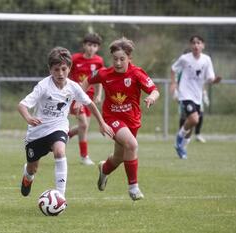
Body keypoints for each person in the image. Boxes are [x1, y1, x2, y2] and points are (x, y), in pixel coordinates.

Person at [18, 47, 114, 201]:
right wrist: (29, 117)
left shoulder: (73, 87)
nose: (60, 73)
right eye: (56, 69)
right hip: (37, 132)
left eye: (64, 69)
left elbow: (90, 104)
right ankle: (28, 176)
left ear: (69, 68)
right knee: (32, 167)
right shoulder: (43, 86)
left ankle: (60, 196)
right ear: (50, 69)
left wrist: (102, 123)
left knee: (60, 152)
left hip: (59, 127)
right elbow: (22, 105)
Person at [82, 37, 160, 201]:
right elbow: (86, 81)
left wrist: (151, 98)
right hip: (111, 118)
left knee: (119, 157)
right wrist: (78, 100)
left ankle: (104, 169)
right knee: (132, 145)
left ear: (129, 58)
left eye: (122, 59)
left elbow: (154, 90)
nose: (118, 63)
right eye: (115, 59)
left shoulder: (137, 73)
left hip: (132, 120)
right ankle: (133, 187)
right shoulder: (104, 73)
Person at [170, 35, 221, 159]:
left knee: (192, 124)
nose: (196, 45)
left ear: (203, 45)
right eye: (193, 43)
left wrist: (215, 81)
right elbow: (173, 69)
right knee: (194, 119)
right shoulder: (184, 59)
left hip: (197, 95)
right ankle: (179, 137)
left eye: (198, 43)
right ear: (190, 45)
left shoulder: (207, 60)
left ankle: (182, 147)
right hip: (185, 94)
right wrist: (173, 83)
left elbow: (210, 78)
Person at [68, 33, 105, 165]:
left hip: (88, 97)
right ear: (84, 45)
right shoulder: (75, 59)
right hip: (75, 95)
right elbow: (66, 73)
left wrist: (98, 94)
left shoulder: (98, 61)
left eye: (94, 46)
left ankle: (68, 134)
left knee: (84, 127)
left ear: (98, 48)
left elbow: (98, 79)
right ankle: (84, 157)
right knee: (83, 124)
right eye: (89, 45)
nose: (91, 48)